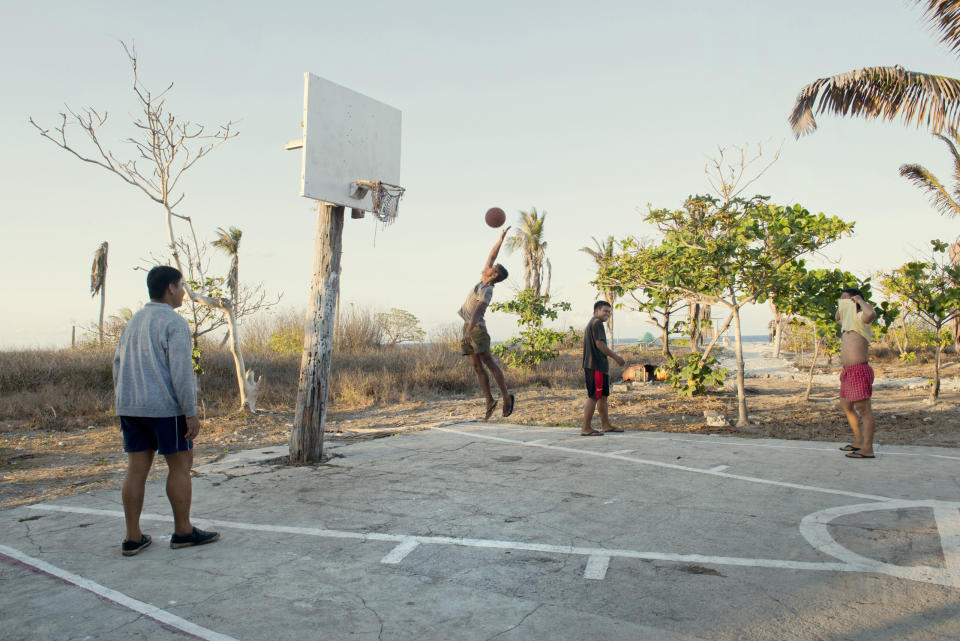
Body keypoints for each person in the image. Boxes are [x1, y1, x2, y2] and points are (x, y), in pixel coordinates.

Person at [113, 265, 220, 556]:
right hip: (165, 409)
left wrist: (123, 402)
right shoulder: (173, 323)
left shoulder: (133, 321)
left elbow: (117, 365)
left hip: (131, 407)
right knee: (181, 464)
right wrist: (191, 411)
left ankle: (133, 537)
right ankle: (183, 530)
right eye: (181, 285)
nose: (184, 290)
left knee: (136, 470)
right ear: (170, 288)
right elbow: (182, 372)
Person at [460, 228, 514, 420]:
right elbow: (492, 255)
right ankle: (489, 400)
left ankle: (507, 397)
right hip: (468, 326)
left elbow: (478, 311)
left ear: (494, 274)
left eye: (492, 267)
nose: (488, 265)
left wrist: (468, 330)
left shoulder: (487, 290)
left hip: (476, 329)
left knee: (489, 363)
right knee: (477, 367)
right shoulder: (483, 279)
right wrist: (500, 239)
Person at [835, 288, 877, 459]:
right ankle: (858, 441)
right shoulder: (847, 321)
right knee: (846, 406)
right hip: (847, 372)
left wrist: (859, 300)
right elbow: (837, 317)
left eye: (847, 299)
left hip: (859, 370)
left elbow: (871, 314)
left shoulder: (861, 318)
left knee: (864, 409)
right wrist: (843, 303)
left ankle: (867, 449)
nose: (843, 302)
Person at [582, 300, 626, 436]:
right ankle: (586, 428)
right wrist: (616, 357)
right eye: (605, 311)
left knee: (603, 397)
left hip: (599, 367)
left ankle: (606, 425)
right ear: (596, 311)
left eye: (609, 312)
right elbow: (600, 344)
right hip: (595, 367)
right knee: (594, 396)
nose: (607, 314)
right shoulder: (597, 323)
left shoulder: (593, 323)